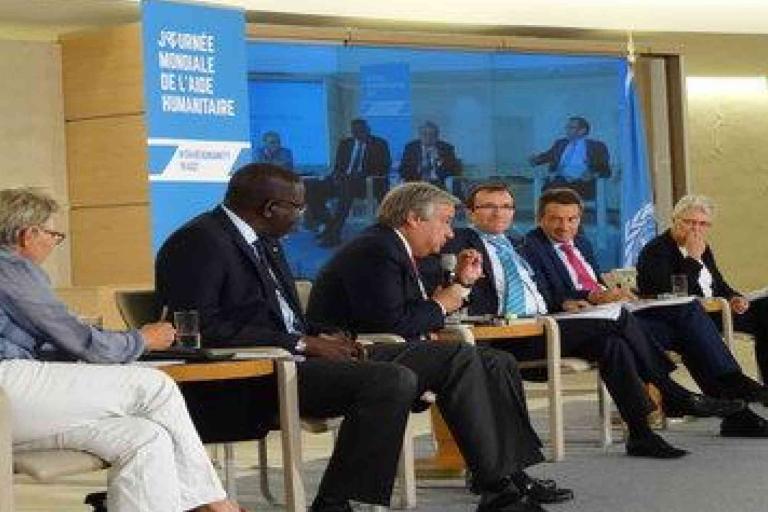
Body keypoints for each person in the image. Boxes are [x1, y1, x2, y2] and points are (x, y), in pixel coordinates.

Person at [156, 163, 559, 512]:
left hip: (305, 357)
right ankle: (336, 502)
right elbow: (199, 327)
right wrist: (303, 343)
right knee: (392, 379)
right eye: (298, 207)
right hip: (260, 372)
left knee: (470, 358)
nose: (303, 215)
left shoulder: (266, 242)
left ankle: (498, 484)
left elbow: (288, 318)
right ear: (270, 208)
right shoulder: (199, 242)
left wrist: (319, 339)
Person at [416, 182, 743, 458]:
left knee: (612, 343)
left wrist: (570, 301)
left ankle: (641, 433)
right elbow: (440, 272)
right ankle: (672, 393)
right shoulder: (461, 241)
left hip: (543, 323)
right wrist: (461, 276)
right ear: (471, 213)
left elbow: (544, 291)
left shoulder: (518, 244)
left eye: (506, 206)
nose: (498, 213)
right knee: (618, 320)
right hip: (507, 334)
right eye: (488, 207)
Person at [306, 182, 576, 511]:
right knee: (461, 357)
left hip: (386, 350)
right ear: (413, 219)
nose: (449, 234)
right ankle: (497, 487)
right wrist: (442, 304)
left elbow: (404, 318)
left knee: (497, 361)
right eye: (445, 221)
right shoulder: (376, 249)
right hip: (354, 356)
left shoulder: (395, 248)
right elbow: (392, 323)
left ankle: (507, 477)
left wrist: (458, 287)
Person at [0, 188, 244, 512]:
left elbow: (60, 341)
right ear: (28, 234)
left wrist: (117, 343)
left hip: (17, 402)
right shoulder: (10, 267)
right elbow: (78, 338)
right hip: (7, 384)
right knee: (153, 385)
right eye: (54, 235)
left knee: (144, 438)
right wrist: (142, 340)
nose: (53, 245)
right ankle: (213, 503)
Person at [521, 187, 768, 437]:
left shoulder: (581, 242)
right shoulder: (531, 247)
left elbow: (593, 282)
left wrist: (613, 292)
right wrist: (594, 297)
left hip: (616, 313)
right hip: (586, 322)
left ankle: (734, 413)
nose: (565, 227)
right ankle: (719, 388)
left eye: (571, 219)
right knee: (688, 313)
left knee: (690, 329)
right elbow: (546, 294)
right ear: (540, 219)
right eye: (556, 219)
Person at [637, 195, 768, 388]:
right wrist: (691, 258)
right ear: (675, 220)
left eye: (703, 224)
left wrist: (734, 298)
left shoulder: (702, 247)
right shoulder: (656, 251)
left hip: (718, 310)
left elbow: (719, 284)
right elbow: (672, 294)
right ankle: (734, 385)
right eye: (689, 222)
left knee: (765, 308)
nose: (696, 229)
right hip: (689, 317)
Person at [315, 118, 392, 247]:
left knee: (347, 189)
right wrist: (337, 175)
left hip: (366, 184)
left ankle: (333, 234)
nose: (359, 134)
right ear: (352, 132)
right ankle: (329, 224)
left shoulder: (379, 144)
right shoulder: (345, 143)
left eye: (362, 131)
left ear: (368, 130)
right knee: (312, 188)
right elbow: (339, 166)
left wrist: (363, 174)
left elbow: (384, 167)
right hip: (343, 181)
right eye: (355, 131)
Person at [529, 116, 610, 199]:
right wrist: (535, 160)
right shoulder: (560, 144)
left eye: (571, 128)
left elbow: (606, 170)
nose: (567, 130)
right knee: (553, 185)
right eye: (567, 127)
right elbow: (547, 156)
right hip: (559, 181)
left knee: (554, 188)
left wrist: (593, 175)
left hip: (582, 183)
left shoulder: (597, 146)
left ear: (582, 131)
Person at [399, 121, 461, 189]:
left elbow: (456, 170)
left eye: (431, 134)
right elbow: (402, 170)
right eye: (425, 134)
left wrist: (441, 163)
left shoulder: (446, 148)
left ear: (437, 136)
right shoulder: (411, 148)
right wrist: (418, 168)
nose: (428, 137)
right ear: (420, 135)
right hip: (417, 182)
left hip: (438, 183)